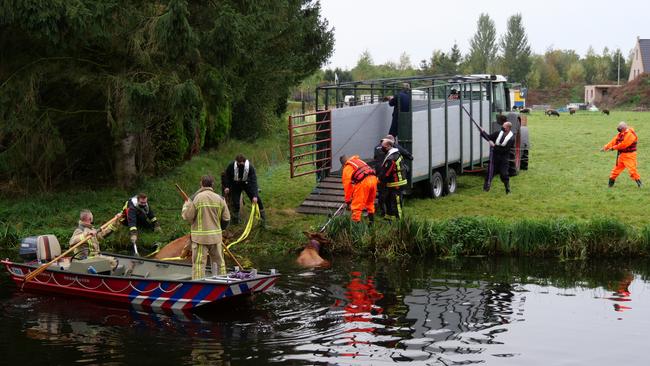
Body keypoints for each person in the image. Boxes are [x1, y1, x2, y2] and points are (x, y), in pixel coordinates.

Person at [181, 175, 231, 279]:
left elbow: (187, 216)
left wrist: (186, 205)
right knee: (219, 263)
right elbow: (226, 219)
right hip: (216, 238)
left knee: (199, 265)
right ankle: (222, 284)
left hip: (200, 239)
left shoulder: (196, 198)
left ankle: (198, 286)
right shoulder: (220, 199)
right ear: (212, 184)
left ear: (201, 184)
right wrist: (219, 229)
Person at [373, 135, 413, 217]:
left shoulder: (391, 158)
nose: (381, 148)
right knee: (388, 199)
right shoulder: (396, 152)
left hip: (396, 182)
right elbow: (407, 156)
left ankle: (399, 220)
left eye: (383, 147)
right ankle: (389, 216)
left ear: (389, 146)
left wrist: (378, 179)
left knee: (395, 201)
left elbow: (386, 173)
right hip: (392, 182)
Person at [223, 154, 266, 224]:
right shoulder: (231, 166)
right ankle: (236, 221)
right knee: (235, 202)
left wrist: (255, 195)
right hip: (236, 184)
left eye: (241, 164)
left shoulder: (250, 167)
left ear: (244, 162)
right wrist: (227, 186)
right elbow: (226, 176)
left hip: (247, 183)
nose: (240, 166)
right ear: (236, 162)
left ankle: (263, 219)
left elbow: (254, 181)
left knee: (257, 199)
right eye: (238, 164)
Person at [601, 121, 642, 188]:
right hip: (622, 156)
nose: (618, 129)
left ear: (624, 127)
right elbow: (614, 141)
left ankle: (640, 184)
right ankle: (610, 186)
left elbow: (624, 145)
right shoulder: (621, 134)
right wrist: (605, 147)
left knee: (632, 171)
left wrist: (613, 148)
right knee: (615, 171)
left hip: (630, 156)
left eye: (620, 127)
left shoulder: (630, 134)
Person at [340, 155, 378, 223]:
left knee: (356, 205)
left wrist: (348, 201)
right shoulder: (359, 161)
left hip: (364, 182)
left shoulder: (347, 167)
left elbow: (347, 185)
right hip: (374, 179)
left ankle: (356, 225)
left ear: (343, 164)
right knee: (370, 202)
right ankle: (371, 222)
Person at [483, 120, 515, 194]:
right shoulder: (498, 133)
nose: (502, 127)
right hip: (495, 158)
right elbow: (489, 137)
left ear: (507, 128)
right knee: (489, 173)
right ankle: (486, 188)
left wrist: (493, 145)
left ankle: (508, 189)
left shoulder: (511, 138)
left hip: (503, 160)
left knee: (504, 174)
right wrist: (482, 132)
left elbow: (503, 150)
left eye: (503, 126)